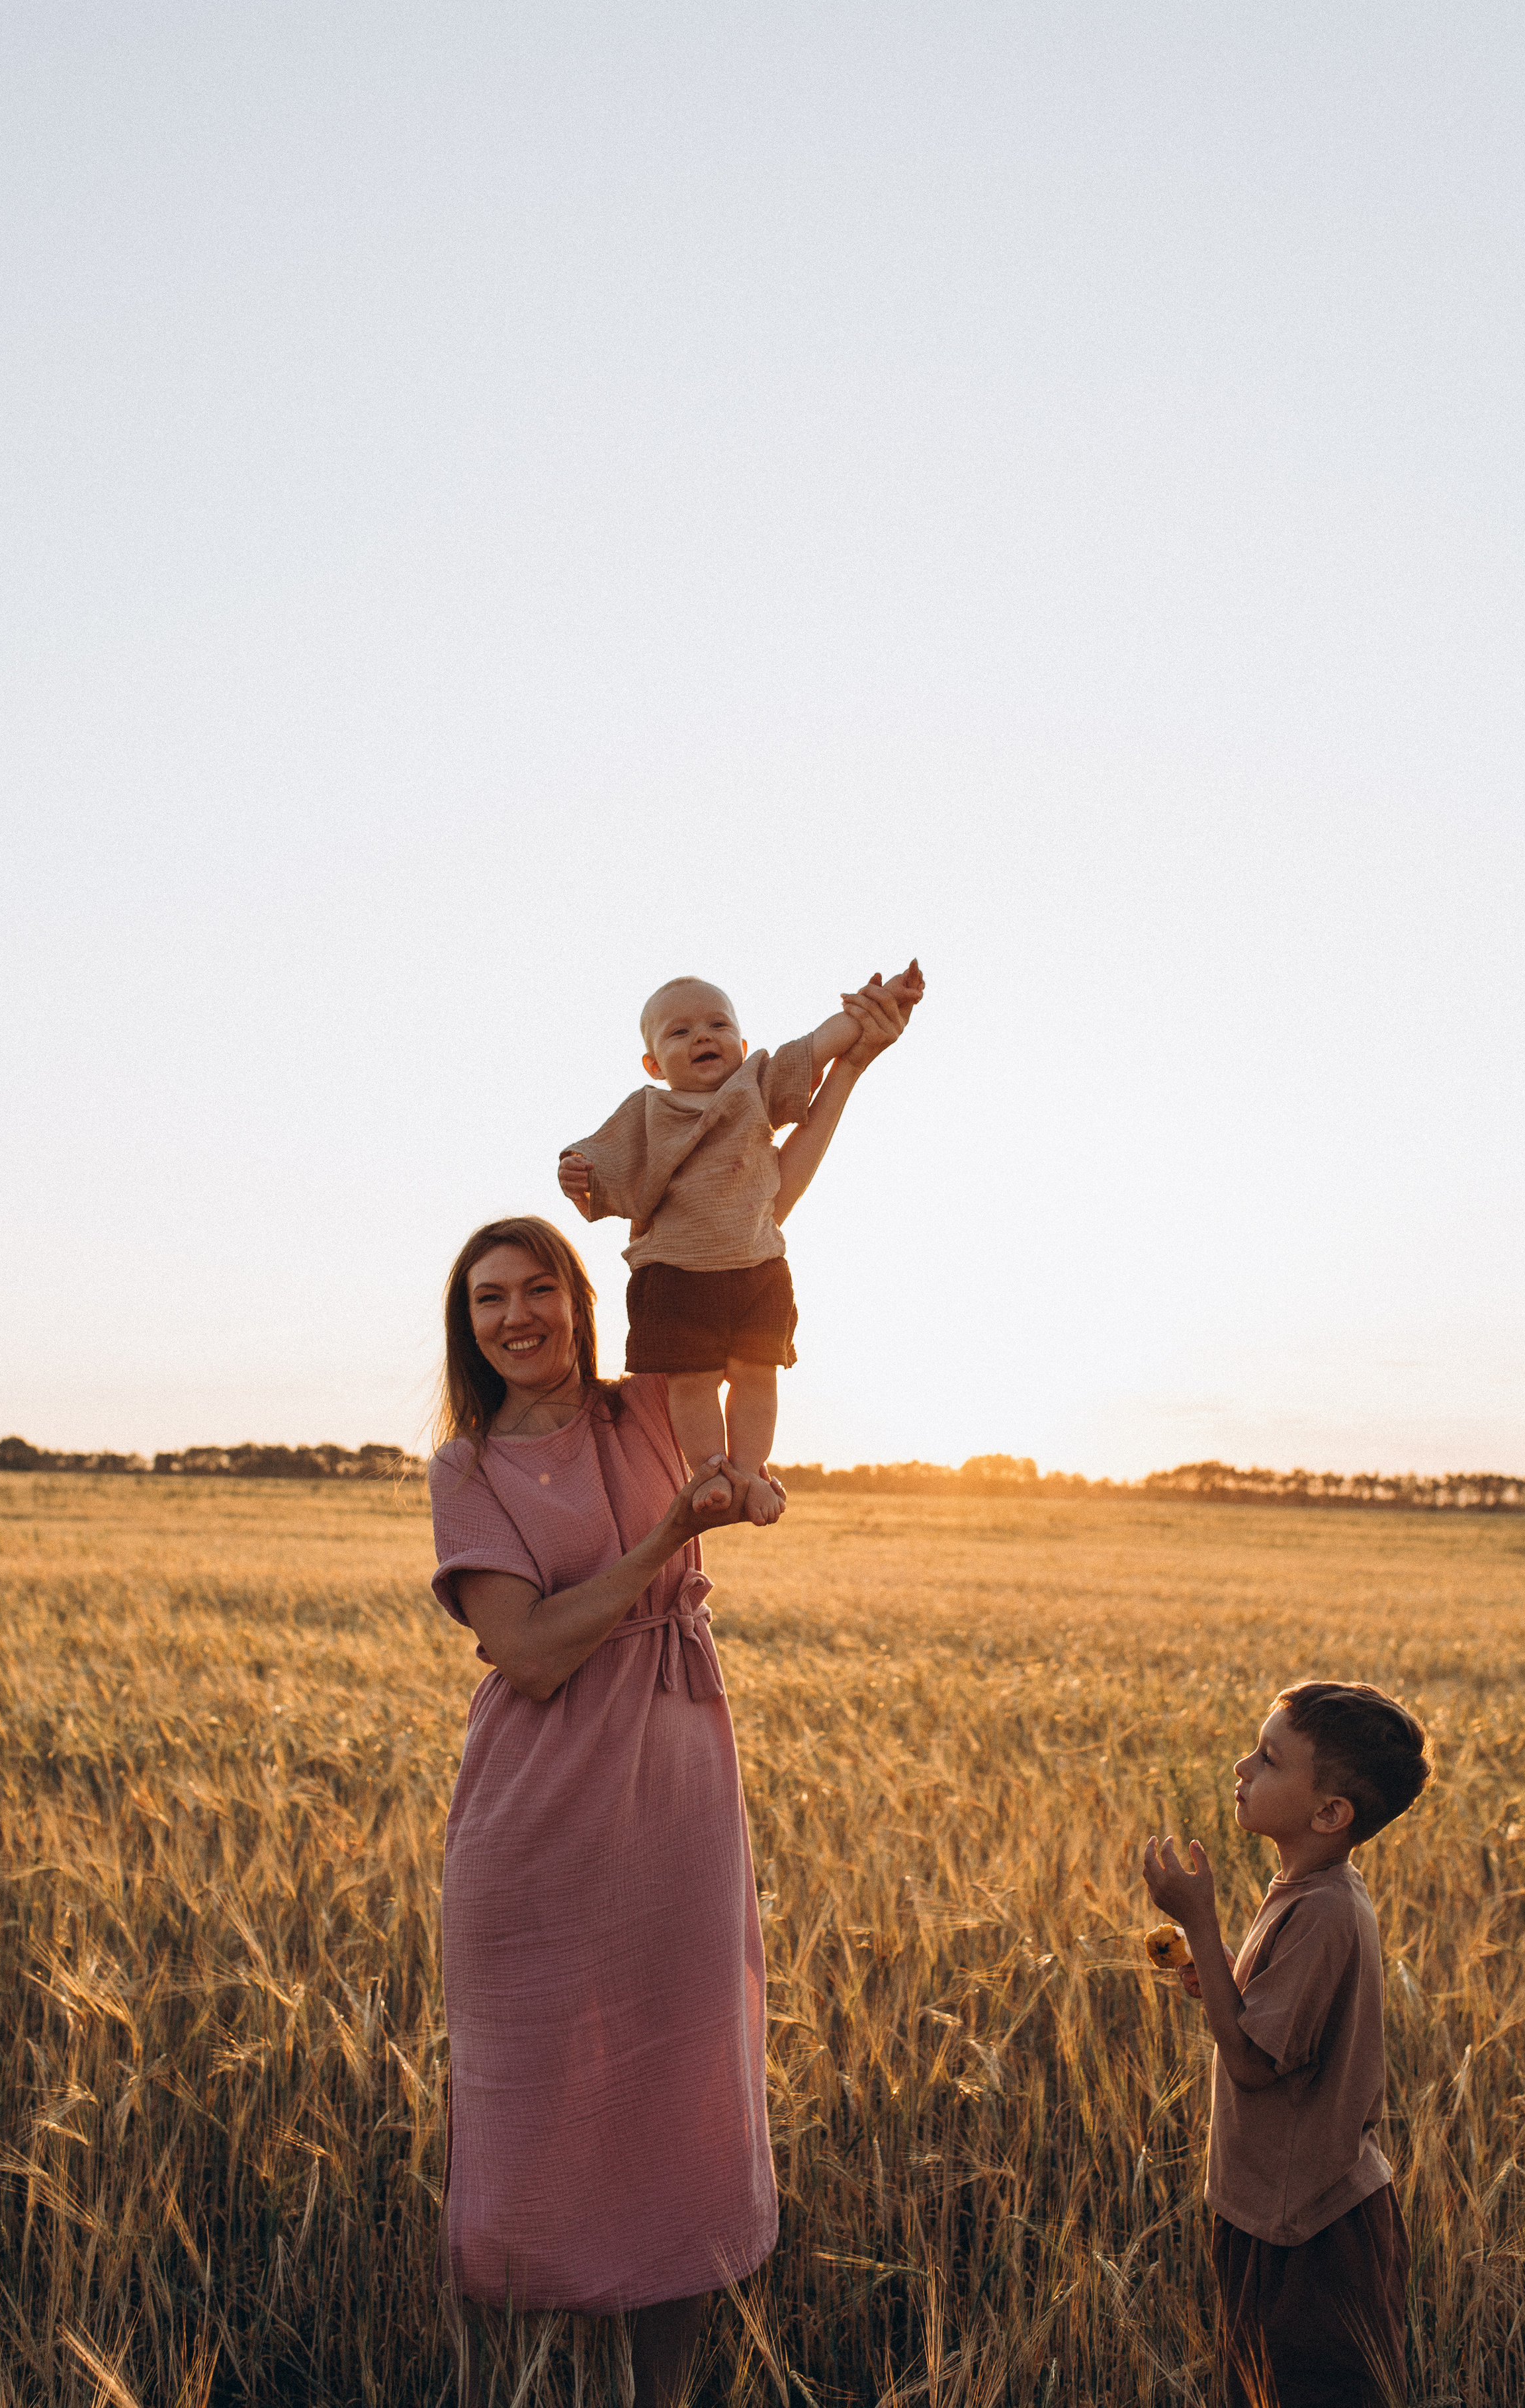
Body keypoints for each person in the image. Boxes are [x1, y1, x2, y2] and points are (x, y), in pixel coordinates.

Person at [429, 982, 910, 2407]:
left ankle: (663, 2392)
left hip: (677, 1786)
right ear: (470, 1326)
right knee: (536, 2099)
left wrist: (850, 1075)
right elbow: (526, 1651)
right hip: (534, 1803)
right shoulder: (468, 1471)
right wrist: (666, 1540)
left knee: (681, 2082)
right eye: (489, 1300)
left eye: (537, 1292)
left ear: (586, 1307)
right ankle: (533, 2377)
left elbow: (758, 1212)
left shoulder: (655, 1403)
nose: (518, 1317)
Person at [1141, 1681, 1432, 2408]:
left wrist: (1201, 1923)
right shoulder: (1306, 1890)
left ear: (1330, 1813)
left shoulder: (1325, 1911)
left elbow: (1248, 2063)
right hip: (1266, 2208)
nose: (1242, 1766)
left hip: (1311, 2228)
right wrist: (1213, 1975)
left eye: (1268, 1759)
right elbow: (1271, 2025)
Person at [557, 961, 924, 1527]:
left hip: (758, 1268)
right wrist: (575, 1171)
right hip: (674, 1273)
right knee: (692, 1382)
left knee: (759, 1375)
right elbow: (596, 1160)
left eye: (718, 1025)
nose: (703, 1036)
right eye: (680, 1033)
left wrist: (870, 1008)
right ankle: (711, 1473)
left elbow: (815, 1047)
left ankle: (750, 1470)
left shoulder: (755, 1086)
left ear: (743, 1043)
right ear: (654, 1064)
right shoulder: (648, 1111)